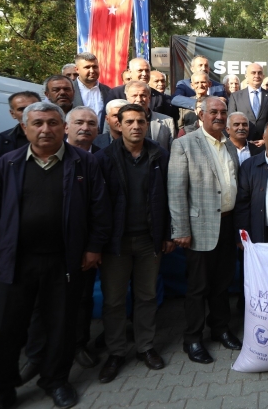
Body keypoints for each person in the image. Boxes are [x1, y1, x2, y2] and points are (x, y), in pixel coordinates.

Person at [0, 101, 111, 409]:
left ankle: (55, 380)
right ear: (25, 128)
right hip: (14, 261)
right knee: (6, 329)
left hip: (65, 261)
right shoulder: (7, 164)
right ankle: (0, 391)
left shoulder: (84, 164)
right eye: (37, 123)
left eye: (52, 123)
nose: (45, 129)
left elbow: (100, 210)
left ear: (64, 128)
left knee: (60, 327)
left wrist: (93, 247)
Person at [96, 103, 172, 382]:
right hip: (115, 243)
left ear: (147, 123)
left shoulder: (159, 155)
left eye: (141, 121)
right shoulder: (104, 158)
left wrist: (166, 234)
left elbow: (168, 197)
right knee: (114, 300)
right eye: (129, 121)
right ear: (118, 123)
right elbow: (97, 203)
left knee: (147, 296)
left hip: (148, 240)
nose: (136, 126)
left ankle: (145, 347)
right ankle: (116, 352)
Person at [168, 97, 243, 364]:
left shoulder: (229, 146)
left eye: (223, 112)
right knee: (198, 287)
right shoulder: (184, 145)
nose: (219, 117)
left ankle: (221, 329)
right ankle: (193, 339)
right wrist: (181, 229)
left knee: (222, 283)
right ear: (201, 115)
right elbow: (176, 191)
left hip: (227, 223)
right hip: (199, 228)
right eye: (214, 112)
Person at [228, 63, 268, 141]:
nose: (257, 76)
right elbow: (230, 120)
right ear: (246, 76)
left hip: (265, 143)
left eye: (259, 73)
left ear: (263, 76)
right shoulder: (235, 96)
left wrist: (266, 139)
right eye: (253, 73)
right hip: (243, 142)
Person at [109, 58, 173, 117]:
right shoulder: (116, 93)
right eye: (140, 70)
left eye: (147, 70)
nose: (144, 74)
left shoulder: (159, 97)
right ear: (130, 72)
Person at [125, 81, 175, 151]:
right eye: (134, 96)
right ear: (127, 98)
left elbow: (173, 151)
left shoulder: (167, 121)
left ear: (149, 98)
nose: (139, 99)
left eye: (143, 95)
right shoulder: (118, 120)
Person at [72, 52, 111, 120]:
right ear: (77, 70)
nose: (92, 71)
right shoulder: (69, 90)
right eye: (87, 67)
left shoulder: (108, 91)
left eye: (95, 67)